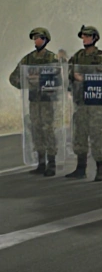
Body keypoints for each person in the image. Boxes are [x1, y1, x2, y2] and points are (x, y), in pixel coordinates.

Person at [8, 27, 61, 176]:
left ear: (45, 40)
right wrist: (25, 84)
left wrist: (41, 82)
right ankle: (41, 162)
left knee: (48, 130)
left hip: (48, 101)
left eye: (39, 38)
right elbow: (13, 77)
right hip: (34, 100)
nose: (36, 41)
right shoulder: (28, 59)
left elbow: (59, 79)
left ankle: (52, 163)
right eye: (34, 38)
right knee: (36, 129)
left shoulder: (52, 59)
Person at [65, 25, 102, 181]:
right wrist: (72, 74)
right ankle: (80, 168)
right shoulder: (78, 56)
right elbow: (68, 71)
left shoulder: (101, 57)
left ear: (94, 38)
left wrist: (83, 77)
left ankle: (100, 169)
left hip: (97, 102)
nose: (84, 39)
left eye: (87, 36)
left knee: (98, 135)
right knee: (80, 134)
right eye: (83, 36)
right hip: (81, 102)